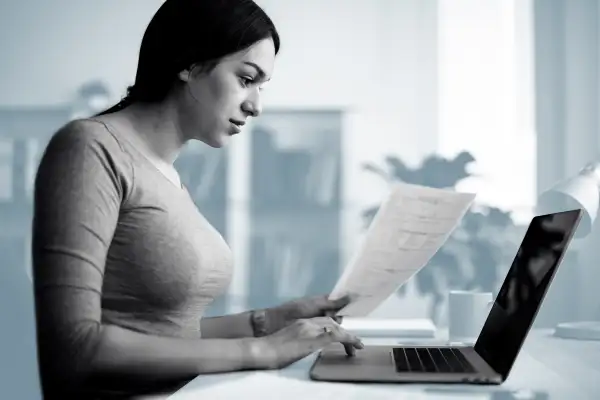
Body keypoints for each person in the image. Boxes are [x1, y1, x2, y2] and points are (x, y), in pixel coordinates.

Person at [31, 0, 364, 398]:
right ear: (189, 64)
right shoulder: (91, 148)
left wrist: (271, 320)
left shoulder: (168, 174)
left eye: (262, 87)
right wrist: (259, 350)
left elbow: (165, 334)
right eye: (246, 79)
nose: (256, 106)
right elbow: (75, 347)